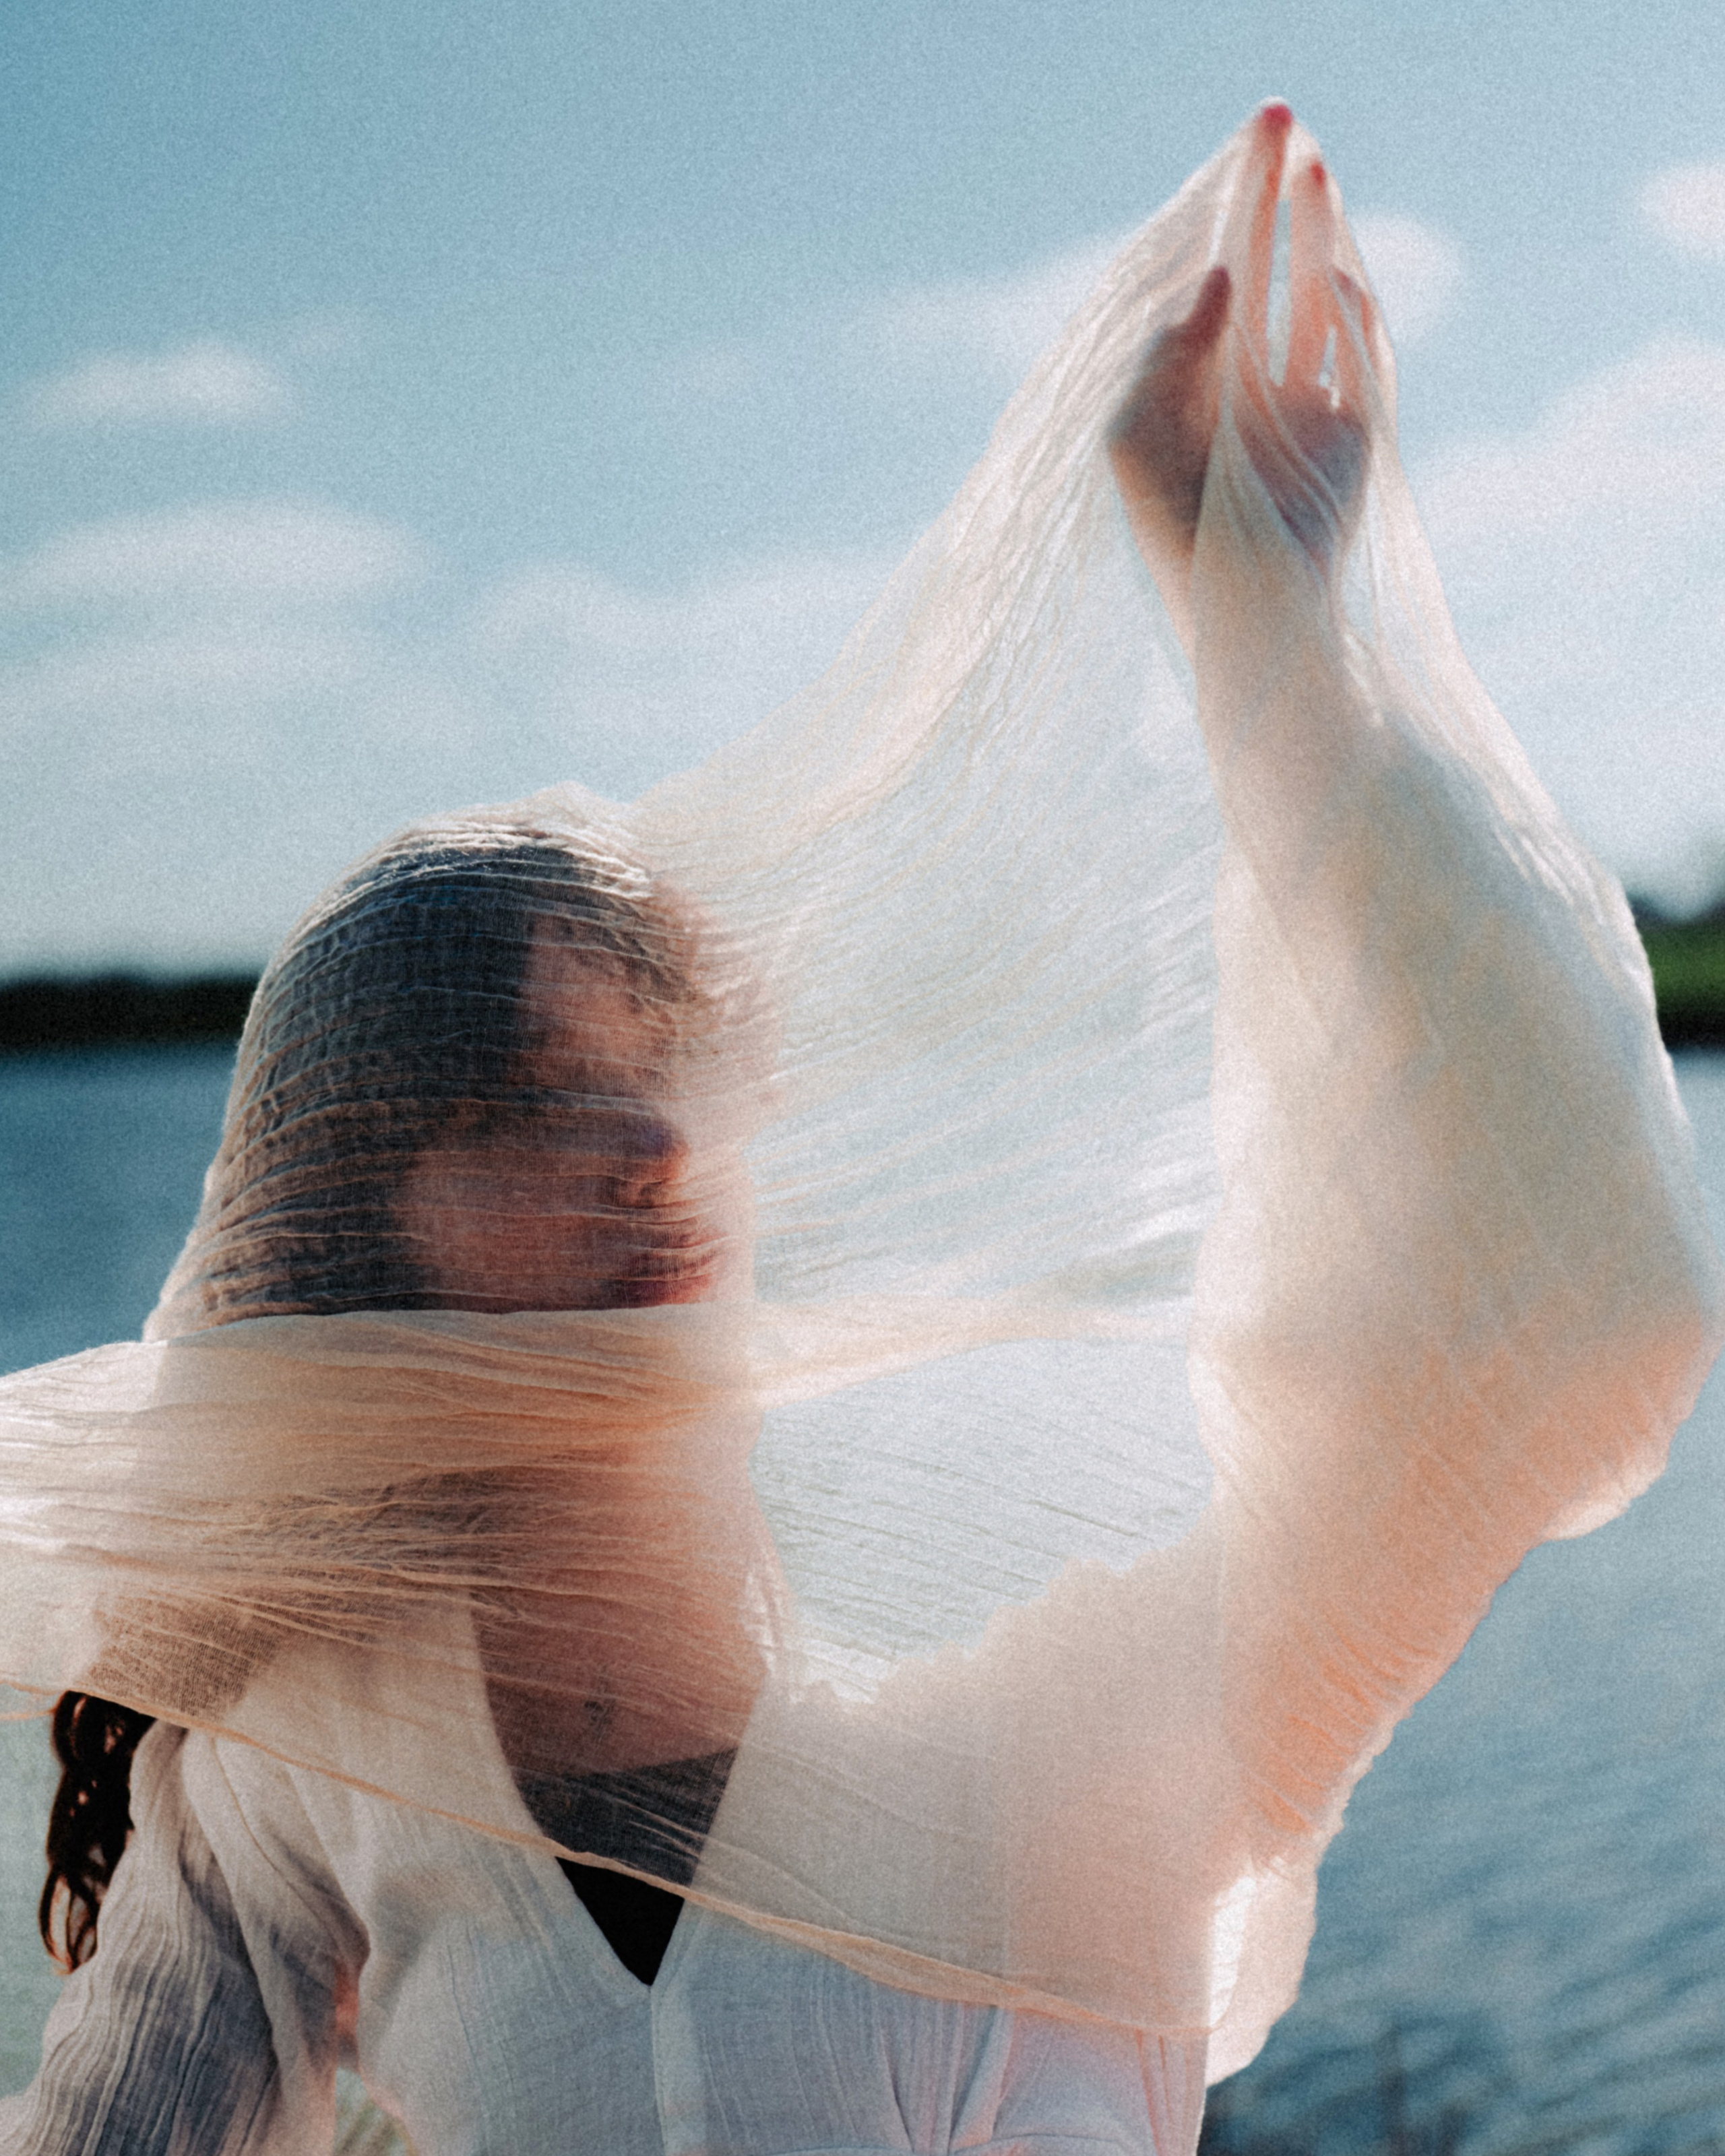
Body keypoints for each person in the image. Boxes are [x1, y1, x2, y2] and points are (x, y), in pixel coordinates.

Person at [2, 102, 1720, 2155]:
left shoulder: (1061, 1733)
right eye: (523, 1101)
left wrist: (1268, 628)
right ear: (348, 1236)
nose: (638, 1143)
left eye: (659, 1073)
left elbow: (1569, 1321)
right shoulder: (310, 1754)